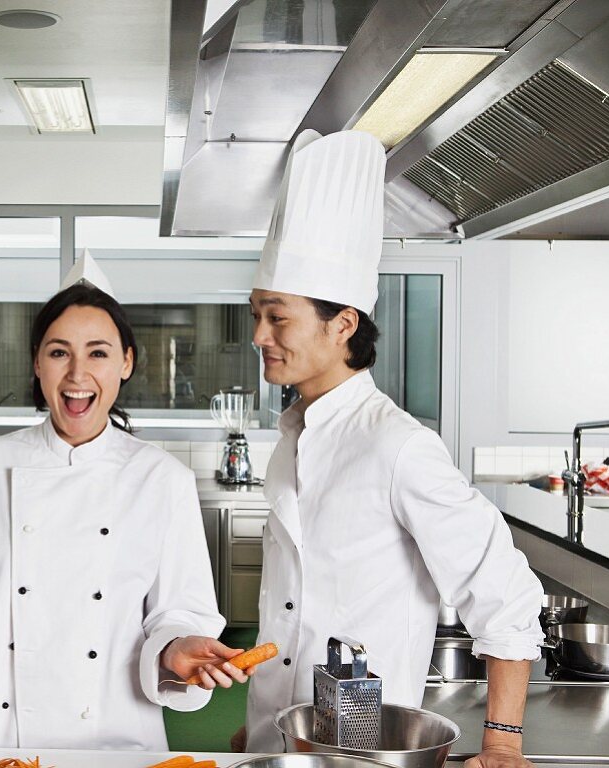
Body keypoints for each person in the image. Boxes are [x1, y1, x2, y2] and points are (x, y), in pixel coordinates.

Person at [236, 130, 543, 768]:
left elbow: (504, 590)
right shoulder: (292, 434)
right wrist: (261, 727)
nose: (260, 334)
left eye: (278, 316)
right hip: (280, 743)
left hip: (363, 749)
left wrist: (502, 743)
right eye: (256, 314)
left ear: (342, 323)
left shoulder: (399, 446)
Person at [0, 252, 250, 751]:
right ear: (36, 361)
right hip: (3, 731)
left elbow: (180, 610)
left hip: (116, 730)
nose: (76, 374)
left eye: (97, 353)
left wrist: (178, 648)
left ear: (126, 363)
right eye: (58, 352)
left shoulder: (162, 479)